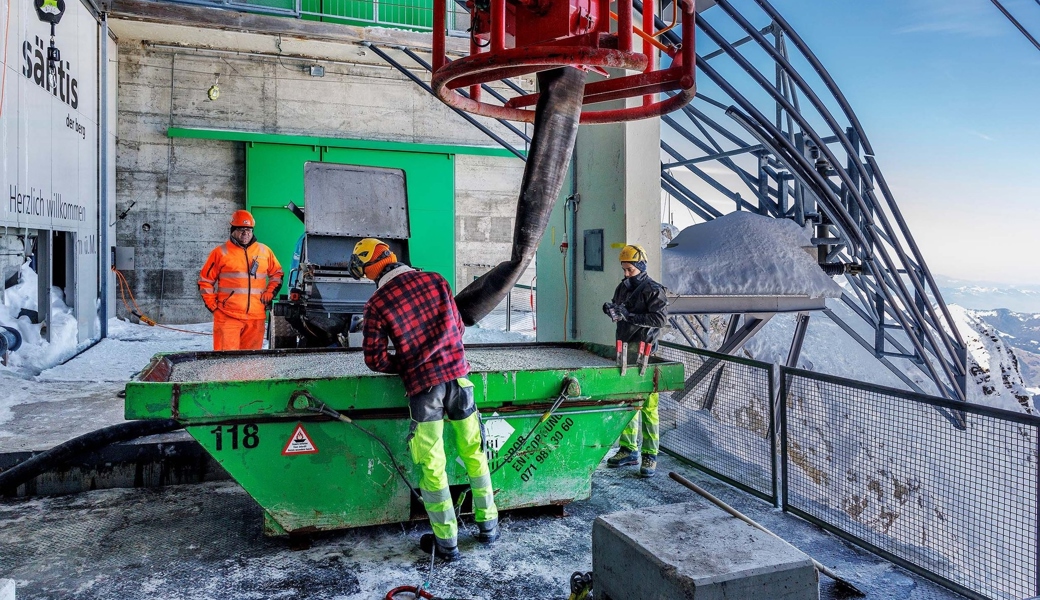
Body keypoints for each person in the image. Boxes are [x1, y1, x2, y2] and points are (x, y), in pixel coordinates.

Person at [349, 237, 499, 562]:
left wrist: (406, 363)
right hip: (460, 378)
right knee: (474, 451)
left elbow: (374, 360)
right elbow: (459, 327)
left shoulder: (377, 304)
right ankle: (489, 526)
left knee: (433, 466)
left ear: (371, 269)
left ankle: (447, 543)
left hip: (424, 389)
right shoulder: (435, 280)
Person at [602, 244, 668, 477]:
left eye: (630, 270)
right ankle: (628, 449)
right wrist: (610, 309)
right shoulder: (624, 287)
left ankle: (650, 455)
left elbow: (659, 319)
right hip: (625, 351)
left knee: (648, 407)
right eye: (624, 270)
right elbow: (618, 307)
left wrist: (628, 315)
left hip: (644, 353)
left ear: (640, 267)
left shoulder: (653, 290)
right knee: (627, 402)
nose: (626, 274)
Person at [198, 210, 283, 351]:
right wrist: (214, 307)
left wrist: (270, 292)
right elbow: (205, 281)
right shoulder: (220, 253)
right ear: (233, 230)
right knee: (226, 362)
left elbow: (277, 274)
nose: (245, 233)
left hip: (256, 317)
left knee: (251, 364)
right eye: (241, 229)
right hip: (228, 317)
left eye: (249, 229)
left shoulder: (264, 251)